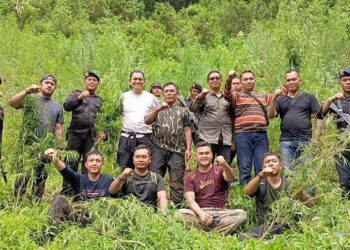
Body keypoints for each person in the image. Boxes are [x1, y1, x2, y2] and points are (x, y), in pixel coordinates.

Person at [9, 74, 64, 199]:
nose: (49, 85)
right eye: (47, 82)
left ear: (55, 88)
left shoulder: (57, 107)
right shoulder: (31, 98)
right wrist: (27, 90)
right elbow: (12, 103)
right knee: (23, 175)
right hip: (27, 145)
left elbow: (59, 129)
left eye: (52, 84)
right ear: (41, 84)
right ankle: (17, 201)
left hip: (46, 148)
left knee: (41, 176)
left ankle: (36, 202)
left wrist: (58, 147)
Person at [179, 141, 247, 235]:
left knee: (241, 215)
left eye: (207, 153)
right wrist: (201, 214)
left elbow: (231, 178)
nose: (204, 156)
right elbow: (190, 201)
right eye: (201, 153)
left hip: (221, 212)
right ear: (196, 157)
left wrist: (225, 165)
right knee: (178, 215)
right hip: (200, 212)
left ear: (212, 155)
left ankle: (208, 234)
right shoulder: (190, 176)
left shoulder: (220, 170)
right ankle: (219, 232)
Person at [243, 152, 312, 239]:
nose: (271, 164)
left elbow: (308, 202)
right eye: (267, 162)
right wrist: (261, 175)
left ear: (281, 166)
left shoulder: (289, 183)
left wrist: (300, 194)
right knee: (244, 237)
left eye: (274, 161)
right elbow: (247, 192)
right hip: (265, 226)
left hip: (286, 224)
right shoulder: (260, 182)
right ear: (263, 167)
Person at [145, 82, 192, 204]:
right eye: (167, 91)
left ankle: (178, 209)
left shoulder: (183, 111)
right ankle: (151, 206)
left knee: (177, 180)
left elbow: (187, 129)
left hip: (177, 150)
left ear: (177, 93)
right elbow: (147, 121)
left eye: (172, 91)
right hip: (158, 148)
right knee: (155, 177)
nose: (169, 93)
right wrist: (158, 108)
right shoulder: (158, 109)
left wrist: (188, 149)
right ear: (163, 93)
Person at [62, 71, 107, 195]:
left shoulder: (100, 100)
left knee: (89, 163)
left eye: (94, 80)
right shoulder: (76, 93)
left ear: (98, 84)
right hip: (75, 134)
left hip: (91, 136)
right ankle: (67, 191)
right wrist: (79, 98)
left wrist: (105, 132)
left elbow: (106, 119)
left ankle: (84, 191)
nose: (92, 82)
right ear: (85, 82)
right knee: (71, 163)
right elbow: (66, 106)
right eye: (89, 79)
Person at [44, 149, 119, 223]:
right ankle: (49, 231)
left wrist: (122, 177)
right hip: (77, 217)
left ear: (102, 164)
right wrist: (54, 158)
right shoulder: (79, 179)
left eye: (98, 161)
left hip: (98, 221)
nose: (94, 163)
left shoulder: (109, 180)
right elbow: (65, 170)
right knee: (59, 199)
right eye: (91, 160)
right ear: (86, 164)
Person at [225, 70, 273, 184]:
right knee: (244, 166)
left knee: (261, 166)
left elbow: (279, 97)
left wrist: (281, 91)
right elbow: (227, 95)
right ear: (240, 83)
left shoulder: (263, 95)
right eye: (245, 79)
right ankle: (246, 194)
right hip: (243, 135)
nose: (248, 81)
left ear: (255, 80)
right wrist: (229, 80)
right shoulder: (237, 96)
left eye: (251, 78)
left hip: (261, 135)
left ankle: (261, 194)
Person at [267, 69, 321, 170]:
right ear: (285, 83)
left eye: (294, 79)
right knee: (289, 172)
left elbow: (318, 116)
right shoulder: (280, 99)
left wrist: (317, 135)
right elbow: (270, 115)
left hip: (305, 140)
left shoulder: (309, 97)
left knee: (308, 171)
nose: (291, 82)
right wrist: (274, 97)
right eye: (288, 80)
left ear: (300, 81)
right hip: (286, 141)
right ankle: (290, 187)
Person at [117, 70, 159, 169]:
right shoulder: (123, 97)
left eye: (140, 79)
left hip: (145, 136)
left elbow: (157, 116)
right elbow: (116, 114)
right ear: (129, 81)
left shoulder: (151, 98)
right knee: (123, 166)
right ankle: (125, 185)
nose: (137, 81)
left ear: (144, 82)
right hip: (126, 136)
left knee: (144, 167)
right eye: (135, 79)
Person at [109, 145, 168, 213]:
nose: (140, 160)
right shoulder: (126, 175)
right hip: (130, 216)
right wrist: (120, 178)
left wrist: (164, 215)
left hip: (151, 217)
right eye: (137, 157)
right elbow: (112, 191)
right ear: (133, 160)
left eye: (144, 157)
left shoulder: (156, 178)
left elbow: (162, 197)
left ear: (150, 160)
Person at [190, 70, 233, 164]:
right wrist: (200, 96)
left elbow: (234, 115)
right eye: (212, 78)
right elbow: (192, 108)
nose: (215, 80)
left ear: (221, 80)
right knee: (205, 165)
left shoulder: (228, 97)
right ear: (208, 82)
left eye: (217, 78)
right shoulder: (204, 96)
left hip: (226, 137)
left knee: (224, 166)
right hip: (207, 137)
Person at [320, 67, 350, 198]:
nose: (348, 82)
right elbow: (321, 112)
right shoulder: (337, 101)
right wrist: (331, 99)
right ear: (340, 83)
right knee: (345, 180)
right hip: (342, 145)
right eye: (345, 80)